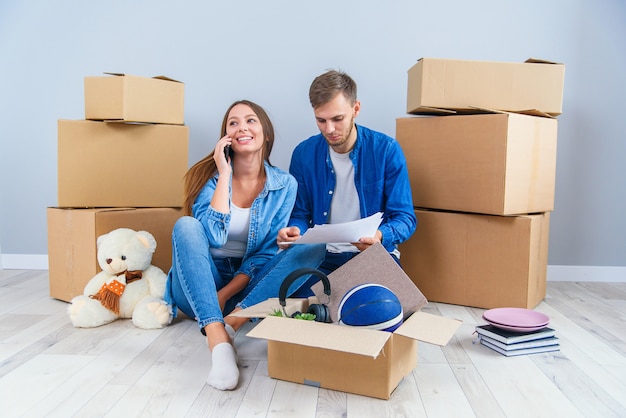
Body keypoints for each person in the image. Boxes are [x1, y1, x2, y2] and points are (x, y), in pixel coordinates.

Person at [225, 69, 416, 328]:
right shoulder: (304, 154)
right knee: (293, 312)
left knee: (381, 311)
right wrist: (294, 230)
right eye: (321, 120)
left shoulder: (386, 150)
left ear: (356, 108)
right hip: (322, 257)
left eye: (338, 119)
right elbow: (301, 215)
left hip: (372, 257)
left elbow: (405, 218)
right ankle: (242, 314)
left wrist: (380, 237)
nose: (330, 129)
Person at [164, 100, 297, 391]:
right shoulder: (210, 181)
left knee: (311, 248)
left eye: (250, 121)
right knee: (186, 225)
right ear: (226, 138)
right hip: (196, 288)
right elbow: (210, 236)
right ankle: (218, 340)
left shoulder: (285, 185)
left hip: (243, 291)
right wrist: (224, 173)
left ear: (266, 134)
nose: (242, 128)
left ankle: (232, 323)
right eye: (233, 123)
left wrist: (225, 295)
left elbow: (264, 253)